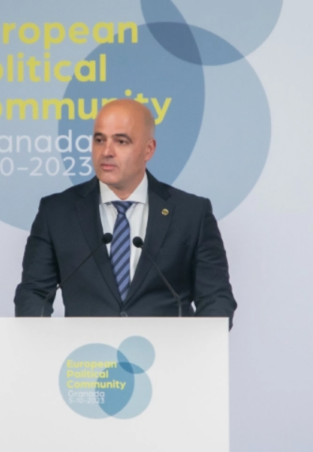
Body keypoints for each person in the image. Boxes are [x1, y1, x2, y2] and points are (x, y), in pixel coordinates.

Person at [14, 99, 237, 322]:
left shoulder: (191, 214)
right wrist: (42, 339)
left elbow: (216, 299)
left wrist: (197, 341)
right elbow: (33, 294)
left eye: (121, 141)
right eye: (99, 140)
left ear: (148, 150)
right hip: (86, 346)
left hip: (166, 345)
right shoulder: (56, 212)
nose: (106, 151)